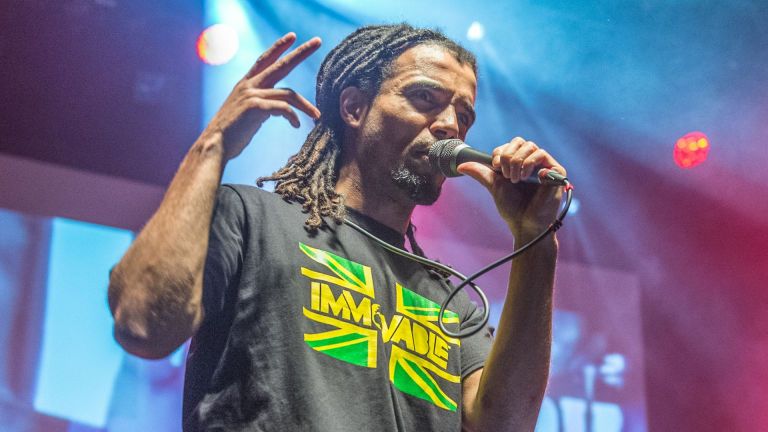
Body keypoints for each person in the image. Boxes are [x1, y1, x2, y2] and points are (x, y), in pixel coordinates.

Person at [108, 23, 566, 432]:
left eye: (463, 116)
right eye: (425, 98)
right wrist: (213, 144)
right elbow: (144, 323)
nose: (450, 125)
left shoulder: (450, 302)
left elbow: (503, 425)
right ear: (354, 107)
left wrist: (536, 240)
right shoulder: (251, 220)